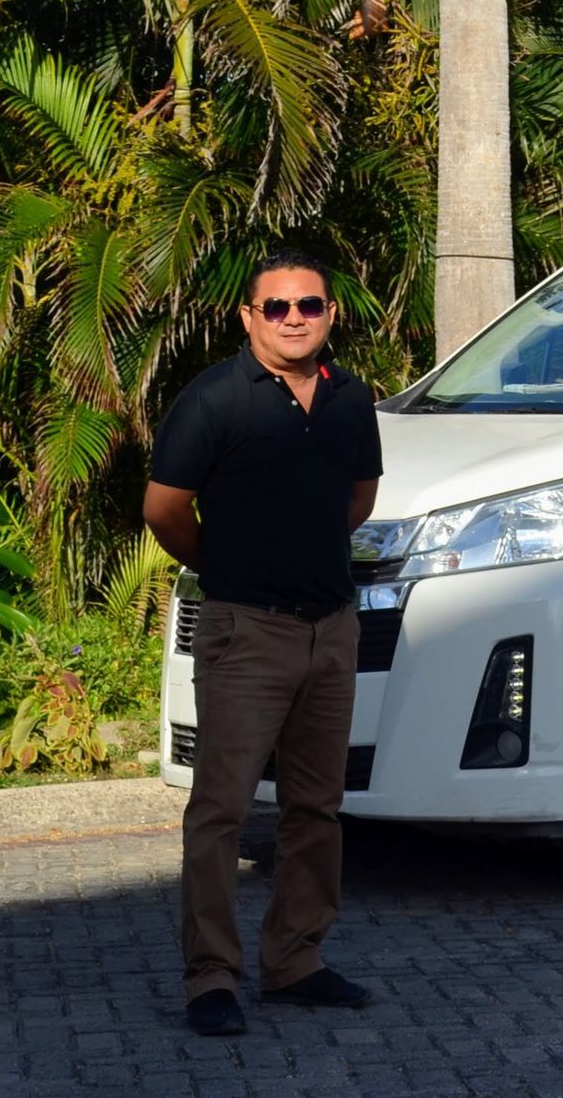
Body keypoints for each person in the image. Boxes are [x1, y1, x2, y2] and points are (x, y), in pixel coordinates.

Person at [144, 251, 384, 1037]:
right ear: (247, 317)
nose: (293, 318)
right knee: (220, 807)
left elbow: (358, 498)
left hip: (331, 628)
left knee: (317, 805)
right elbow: (163, 507)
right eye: (275, 307)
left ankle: (296, 961)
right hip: (245, 630)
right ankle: (210, 976)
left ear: (330, 314)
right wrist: (225, 561)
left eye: (308, 305)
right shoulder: (214, 399)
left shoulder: (351, 399)